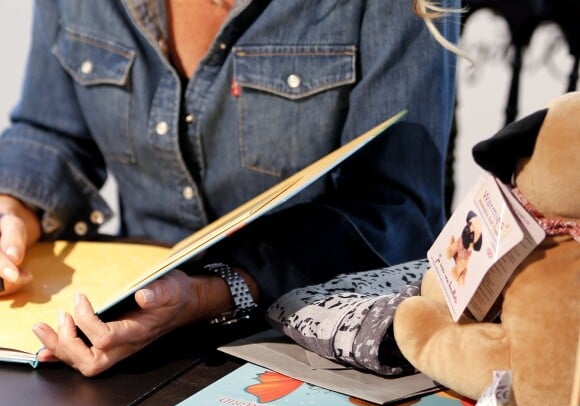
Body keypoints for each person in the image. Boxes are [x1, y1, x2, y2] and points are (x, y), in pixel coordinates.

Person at [0, 0, 460, 376]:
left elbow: (398, 209)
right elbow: (51, 130)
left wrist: (211, 293)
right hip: (131, 356)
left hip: (319, 352)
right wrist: (13, 210)